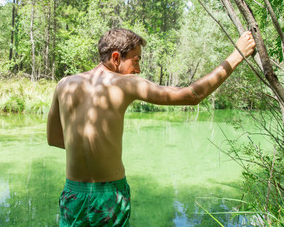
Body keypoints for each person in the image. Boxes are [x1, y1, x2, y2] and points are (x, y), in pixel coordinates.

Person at [47, 28, 256, 226]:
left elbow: (53, 139)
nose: (137, 69)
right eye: (135, 60)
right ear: (116, 58)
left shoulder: (64, 84)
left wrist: (87, 150)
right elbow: (192, 95)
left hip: (72, 194)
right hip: (109, 195)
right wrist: (237, 55)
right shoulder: (127, 83)